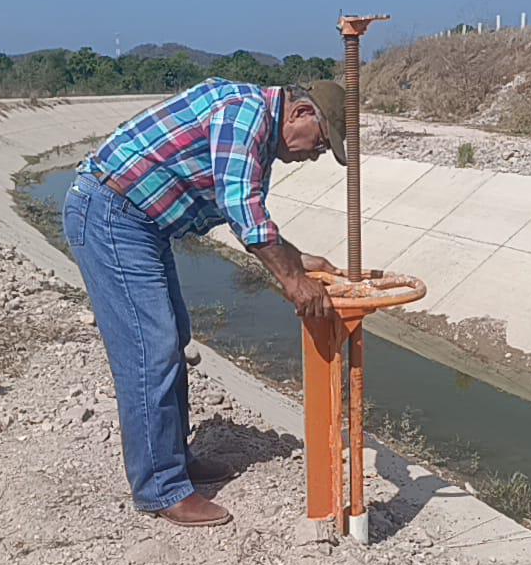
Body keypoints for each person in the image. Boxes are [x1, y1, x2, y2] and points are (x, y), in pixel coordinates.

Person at [62, 77, 347, 527]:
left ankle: (174, 459)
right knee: (150, 350)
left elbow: (241, 206)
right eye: (321, 144)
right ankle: (160, 487)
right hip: (113, 216)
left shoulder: (255, 126)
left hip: (138, 222)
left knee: (173, 337)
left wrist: (295, 256)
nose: (314, 155)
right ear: (302, 114)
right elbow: (239, 203)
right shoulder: (247, 114)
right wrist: (292, 278)